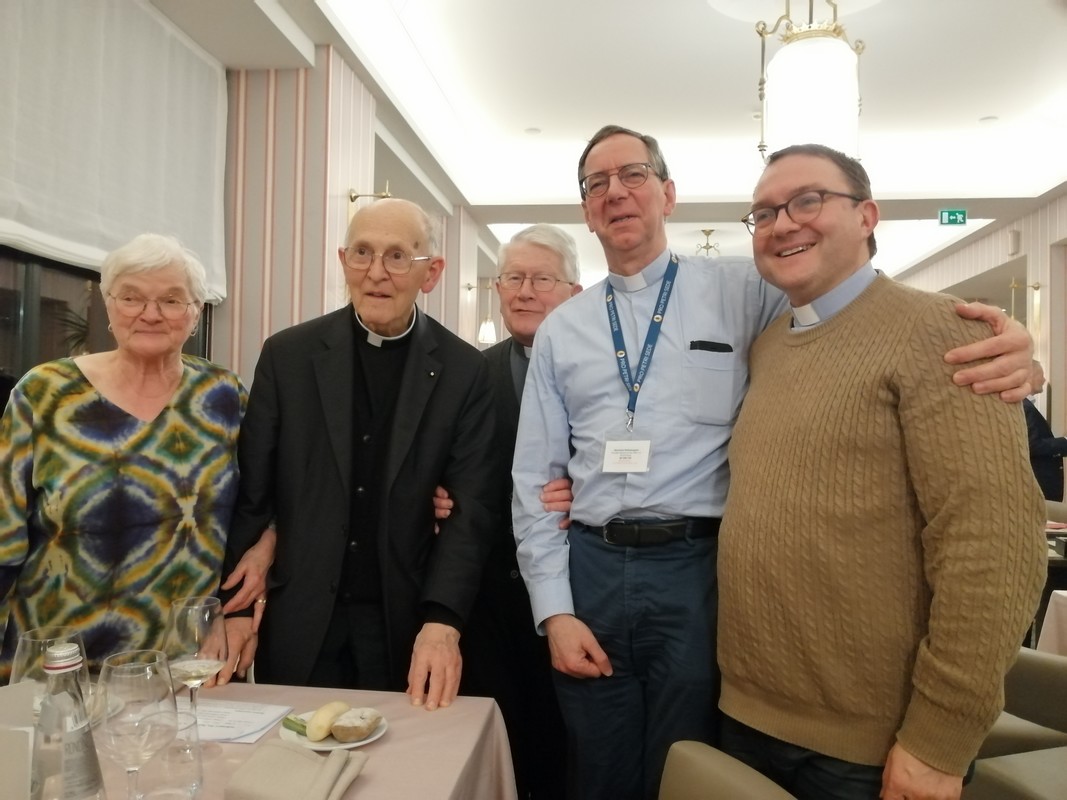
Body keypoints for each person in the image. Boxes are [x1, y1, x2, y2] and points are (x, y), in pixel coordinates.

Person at [510, 124, 1036, 800]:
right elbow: (533, 480)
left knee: (685, 766)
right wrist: (553, 608)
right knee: (596, 768)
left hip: (697, 570)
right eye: (596, 184)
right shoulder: (562, 328)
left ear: (668, 194)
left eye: (634, 175)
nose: (615, 192)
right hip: (593, 567)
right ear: (585, 210)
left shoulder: (745, 291)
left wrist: (1004, 343)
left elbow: (856, 305)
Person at [716, 143, 1046, 800]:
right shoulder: (767, 346)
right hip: (746, 714)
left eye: (807, 200)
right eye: (763, 213)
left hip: (870, 742)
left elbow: (994, 546)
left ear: (866, 216)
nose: (782, 224)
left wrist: (939, 738)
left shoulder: (937, 331)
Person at [219, 198, 499, 713]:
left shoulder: (465, 372)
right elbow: (253, 494)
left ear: (432, 273)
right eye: (362, 253)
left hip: (404, 624)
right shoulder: (287, 356)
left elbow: (471, 510)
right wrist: (234, 610)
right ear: (343, 260)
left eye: (397, 256)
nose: (376, 273)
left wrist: (443, 621)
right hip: (300, 616)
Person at [0, 233, 247, 679]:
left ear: (195, 311)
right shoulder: (44, 393)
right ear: (108, 304)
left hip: (186, 665)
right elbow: (4, 531)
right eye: (131, 297)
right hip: (57, 663)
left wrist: (235, 612)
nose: (150, 314)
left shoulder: (224, 396)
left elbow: (259, 510)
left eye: (172, 300)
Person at [451, 224, 580, 799]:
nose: (525, 291)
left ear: (574, 292)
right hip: (488, 601)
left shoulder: (604, 372)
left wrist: (591, 490)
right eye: (513, 278)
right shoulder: (467, 373)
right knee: (497, 748)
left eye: (542, 279)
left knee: (566, 751)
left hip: (576, 594)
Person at [1023, 360, 1067, 501]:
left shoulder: (1026, 406)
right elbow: (1032, 445)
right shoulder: (1025, 407)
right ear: (1029, 376)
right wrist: (1064, 442)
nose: (1044, 380)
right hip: (1037, 484)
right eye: (1041, 375)